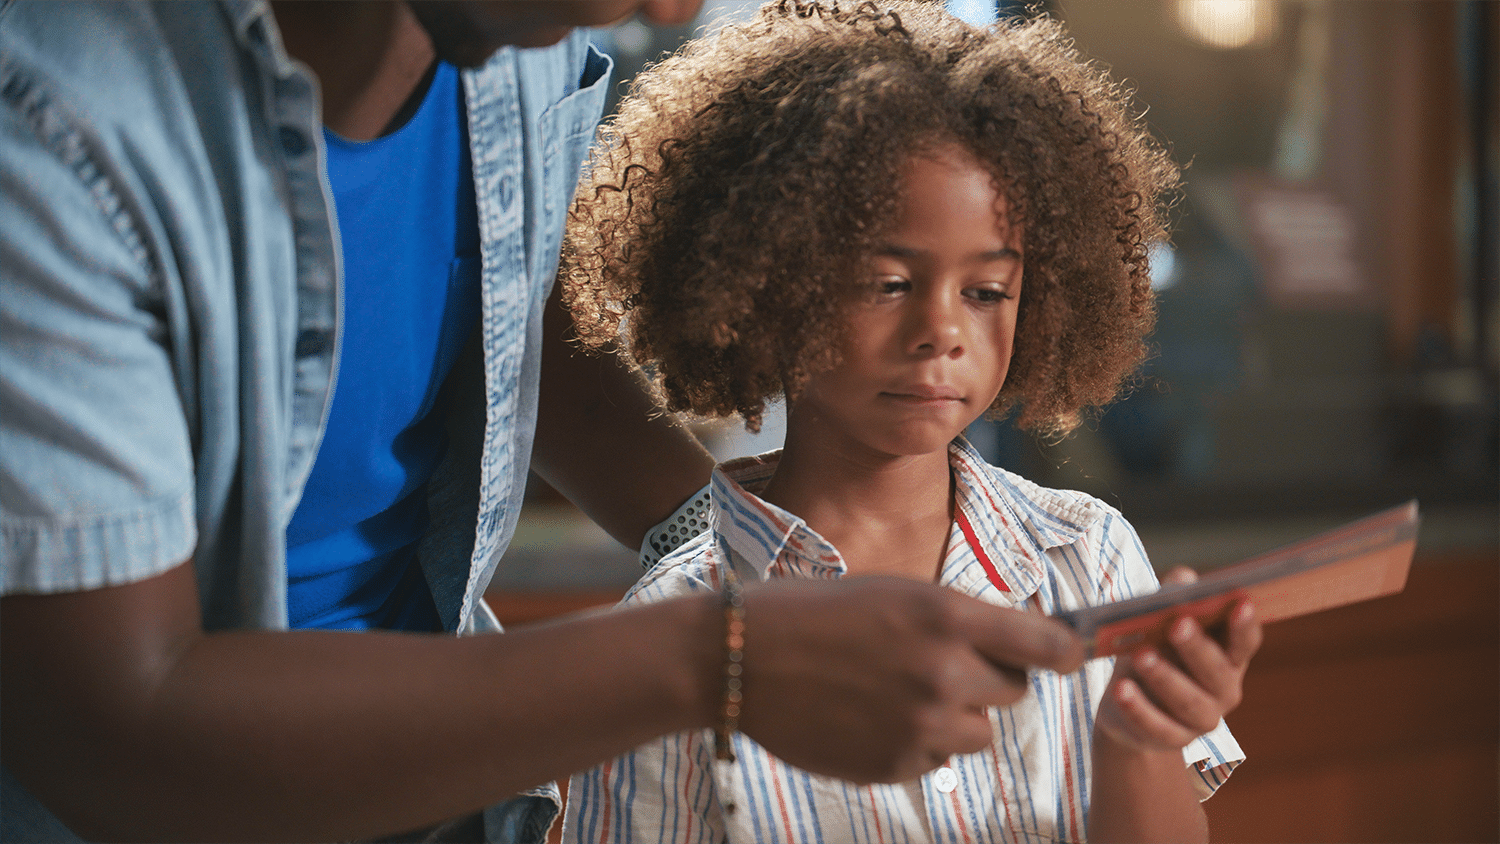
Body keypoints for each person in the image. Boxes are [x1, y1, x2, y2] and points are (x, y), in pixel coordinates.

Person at [0, 2, 1090, 842]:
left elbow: (507, 311)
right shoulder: (48, 120)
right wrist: (716, 654)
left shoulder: (512, 30)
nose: (669, 10)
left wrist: (736, 546)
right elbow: (109, 727)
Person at [558, 3, 1263, 841]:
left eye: (986, 291)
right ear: (765, 289)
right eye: (888, 284)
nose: (941, 331)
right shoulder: (675, 630)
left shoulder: (1090, 556)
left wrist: (1139, 742)